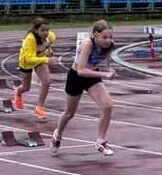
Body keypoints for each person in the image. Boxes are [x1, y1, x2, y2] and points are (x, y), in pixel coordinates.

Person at [50, 20, 117, 156]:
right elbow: (81, 71)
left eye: (110, 37)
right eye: (104, 37)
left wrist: (109, 70)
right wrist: (104, 74)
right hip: (76, 77)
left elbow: (106, 64)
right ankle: (58, 134)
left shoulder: (110, 46)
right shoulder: (88, 44)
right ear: (95, 35)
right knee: (69, 113)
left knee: (107, 106)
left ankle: (100, 141)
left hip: (92, 77)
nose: (108, 40)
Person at [14, 17, 55, 119]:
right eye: (42, 30)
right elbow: (29, 59)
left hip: (40, 59)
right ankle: (18, 92)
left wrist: (48, 50)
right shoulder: (30, 39)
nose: (45, 33)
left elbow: (50, 42)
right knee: (26, 88)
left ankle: (39, 107)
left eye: (47, 30)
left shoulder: (50, 36)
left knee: (47, 82)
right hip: (26, 62)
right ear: (36, 30)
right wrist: (46, 59)